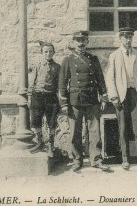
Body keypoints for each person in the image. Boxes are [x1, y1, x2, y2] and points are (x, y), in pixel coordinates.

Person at [59, 31, 109, 172]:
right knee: (75, 132)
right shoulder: (68, 60)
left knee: (94, 131)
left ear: (87, 42)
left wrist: (103, 97)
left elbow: (100, 79)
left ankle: (96, 159)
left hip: (92, 98)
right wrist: (63, 103)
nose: (81, 43)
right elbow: (62, 83)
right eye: (78, 41)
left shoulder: (93, 59)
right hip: (75, 100)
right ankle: (77, 160)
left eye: (83, 40)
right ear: (73, 43)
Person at [106, 27, 137, 170]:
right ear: (120, 39)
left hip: (136, 94)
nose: (128, 40)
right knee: (123, 127)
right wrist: (114, 96)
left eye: (130, 37)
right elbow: (110, 78)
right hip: (121, 95)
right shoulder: (114, 55)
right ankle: (125, 159)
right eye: (125, 37)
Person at [28, 41, 60, 157]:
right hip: (38, 95)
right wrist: (30, 97)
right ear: (42, 53)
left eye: (50, 51)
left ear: (54, 52)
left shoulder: (57, 67)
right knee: (36, 119)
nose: (48, 54)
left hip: (51, 96)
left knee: (51, 122)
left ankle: (51, 145)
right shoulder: (37, 66)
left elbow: (59, 84)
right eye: (46, 51)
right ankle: (40, 142)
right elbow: (32, 83)